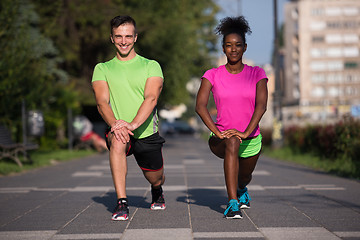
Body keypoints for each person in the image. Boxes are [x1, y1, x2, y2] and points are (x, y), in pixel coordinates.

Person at [91, 15, 166, 221]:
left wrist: (132, 124)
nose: (123, 41)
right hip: (118, 129)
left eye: (127, 36)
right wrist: (116, 124)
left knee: (156, 177)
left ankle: (157, 190)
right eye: (118, 36)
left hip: (145, 131)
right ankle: (121, 203)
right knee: (117, 142)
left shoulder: (151, 66)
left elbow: (151, 98)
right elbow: (102, 102)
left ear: (135, 37)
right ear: (111, 38)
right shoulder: (102, 69)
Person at [195, 16, 268, 219]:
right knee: (232, 142)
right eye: (228, 45)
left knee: (244, 176)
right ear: (223, 48)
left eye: (237, 45)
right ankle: (232, 203)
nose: (233, 49)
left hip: (251, 138)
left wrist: (246, 132)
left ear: (245, 47)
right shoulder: (213, 74)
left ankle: (242, 189)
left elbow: (261, 106)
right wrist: (217, 132)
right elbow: (200, 106)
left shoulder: (257, 73)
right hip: (221, 138)